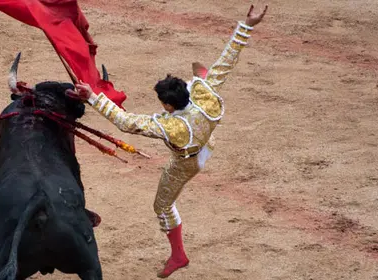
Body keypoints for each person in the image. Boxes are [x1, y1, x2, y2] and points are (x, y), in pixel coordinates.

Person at [68, 5, 268, 278]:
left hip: (187, 160)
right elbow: (227, 61)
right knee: (211, 76)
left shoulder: (171, 126)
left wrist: (92, 97)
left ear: (168, 105)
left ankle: (179, 255)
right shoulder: (203, 96)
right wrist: (247, 25)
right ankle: (200, 77)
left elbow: (127, 123)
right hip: (206, 139)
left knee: (162, 206)